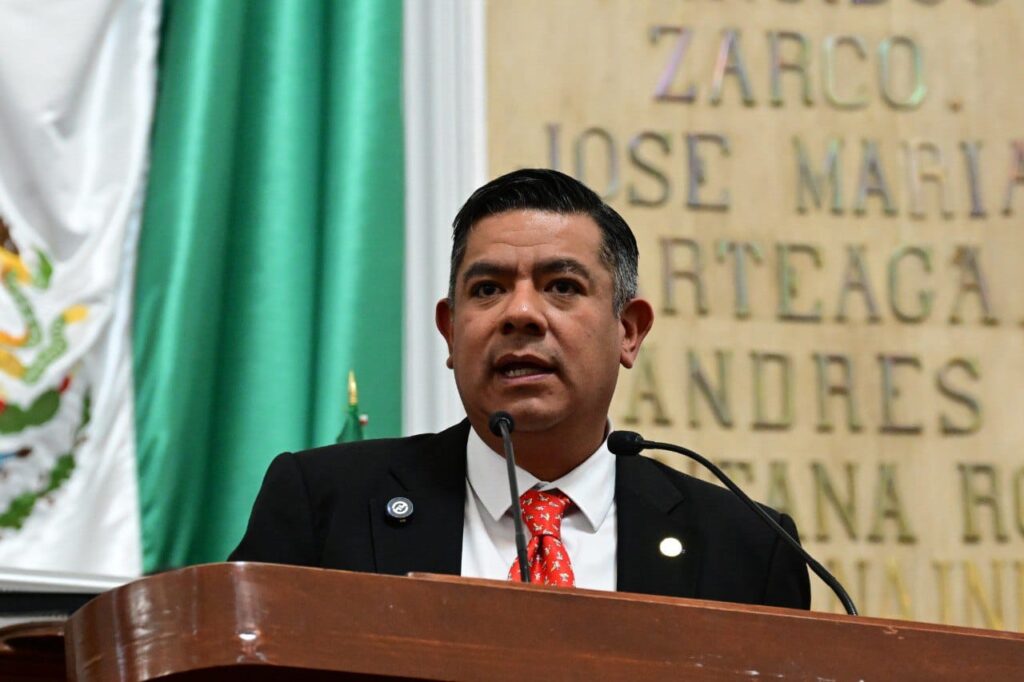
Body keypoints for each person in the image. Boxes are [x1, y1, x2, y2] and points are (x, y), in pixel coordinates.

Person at [229, 168, 810, 608]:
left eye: (562, 286)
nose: (521, 314)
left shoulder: (745, 548)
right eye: (487, 289)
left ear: (629, 331)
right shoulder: (324, 504)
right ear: (450, 332)